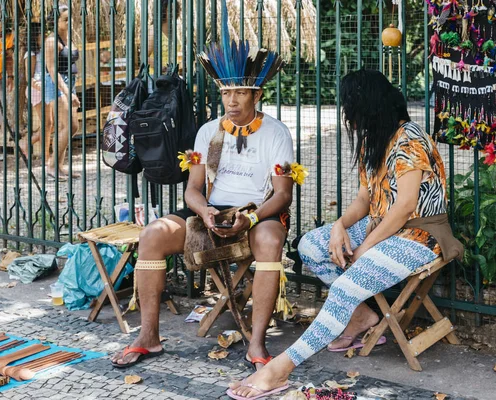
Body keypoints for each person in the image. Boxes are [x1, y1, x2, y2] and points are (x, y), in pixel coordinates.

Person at [226, 69, 463, 399]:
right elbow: (366, 198)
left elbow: (405, 206)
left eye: (349, 105)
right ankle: (362, 315)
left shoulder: (410, 139)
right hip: (381, 228)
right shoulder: (375, 137)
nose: (346, 113)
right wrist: (339, 226)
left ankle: (280, 367)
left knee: (346, 287)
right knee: (311, 245)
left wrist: (364, 246)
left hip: (420, 236)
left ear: (367, 105)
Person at [111, 8, 295, 371]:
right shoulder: (208, 132)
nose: (231, 101)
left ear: (255, 94)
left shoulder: (277, 133)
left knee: (272, 242)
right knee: (151, 235)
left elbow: (283, 194)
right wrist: (204, 211)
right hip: (212, 211)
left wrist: (252, 216)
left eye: (240, 92)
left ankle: (256, 343)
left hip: (258, 214)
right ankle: (148, 336)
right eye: (226, 92)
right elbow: (193, 190)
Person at [44, 4, 81, 180]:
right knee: (70, 126)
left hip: (70, 84)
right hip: (57, 84)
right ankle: (52, 166)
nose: (69, 22)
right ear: (56, 21)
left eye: (70, 18)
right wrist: (68, 92)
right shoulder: (52, 41)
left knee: (69, 127)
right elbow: (52, 70)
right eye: (65, 19)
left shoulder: (69, 38)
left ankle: (59, 165)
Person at [19, 22, 54, 159]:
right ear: (34, 36)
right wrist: (40, 86)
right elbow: (29, 77)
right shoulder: (31, 53)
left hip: (46, 87)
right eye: (41, 34)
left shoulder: (44, 51)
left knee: (50, 124)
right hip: (37, 89)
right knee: (48, 123)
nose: (44, 36)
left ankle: (27, 143)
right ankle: (45, 155)